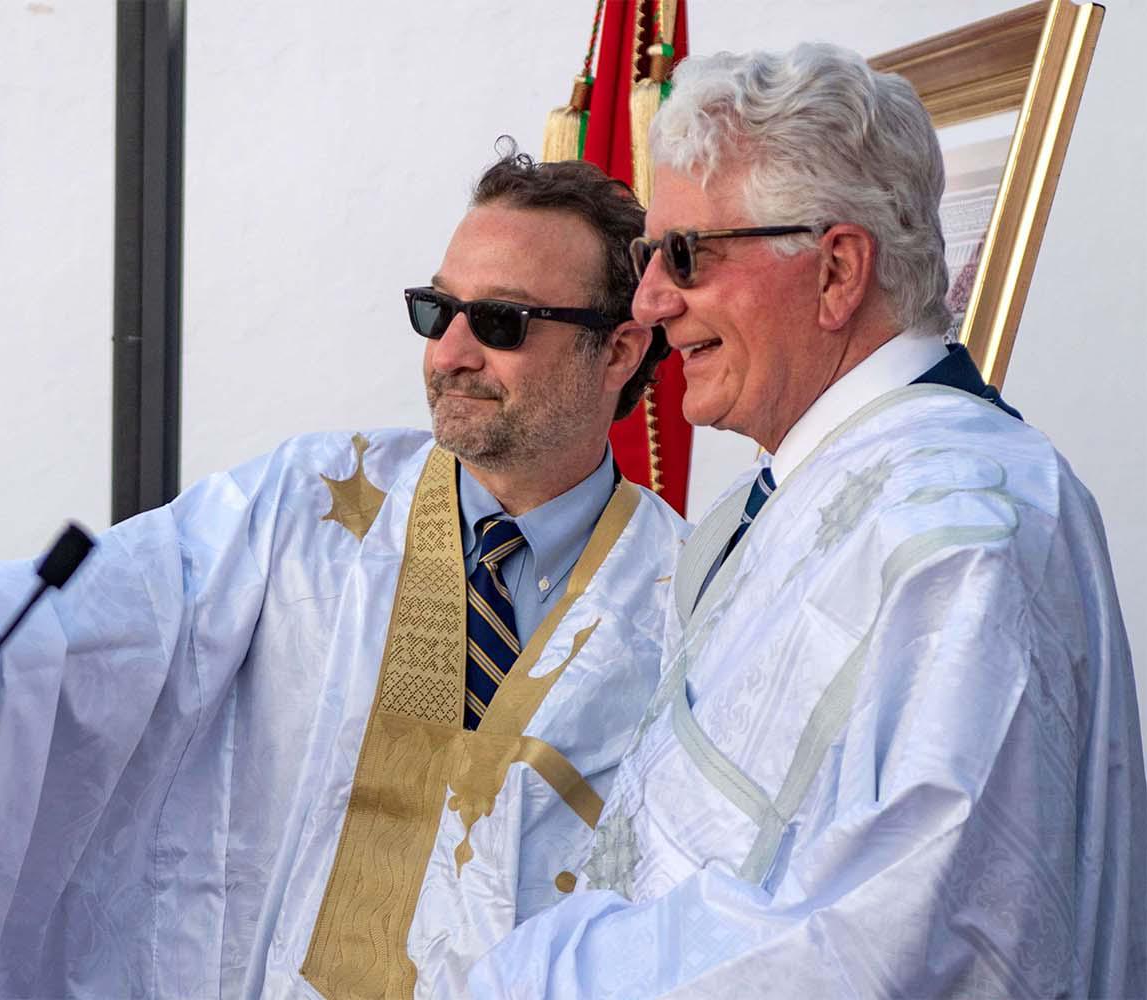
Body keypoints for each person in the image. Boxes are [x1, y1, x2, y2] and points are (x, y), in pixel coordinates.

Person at [0, 149, 690, 997]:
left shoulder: (688, 597)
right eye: (434, 310)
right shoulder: (308, 505)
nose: (448, 353)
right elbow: (104, 621)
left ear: (617, 352)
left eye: (500, 322)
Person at [469, 45, 1146, 998]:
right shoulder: (796, 491)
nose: (653, 300)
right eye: (645, 257)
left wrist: (530, 979)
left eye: (687, 256)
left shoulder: (967, 527)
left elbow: (907, 939)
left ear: (836, 270)